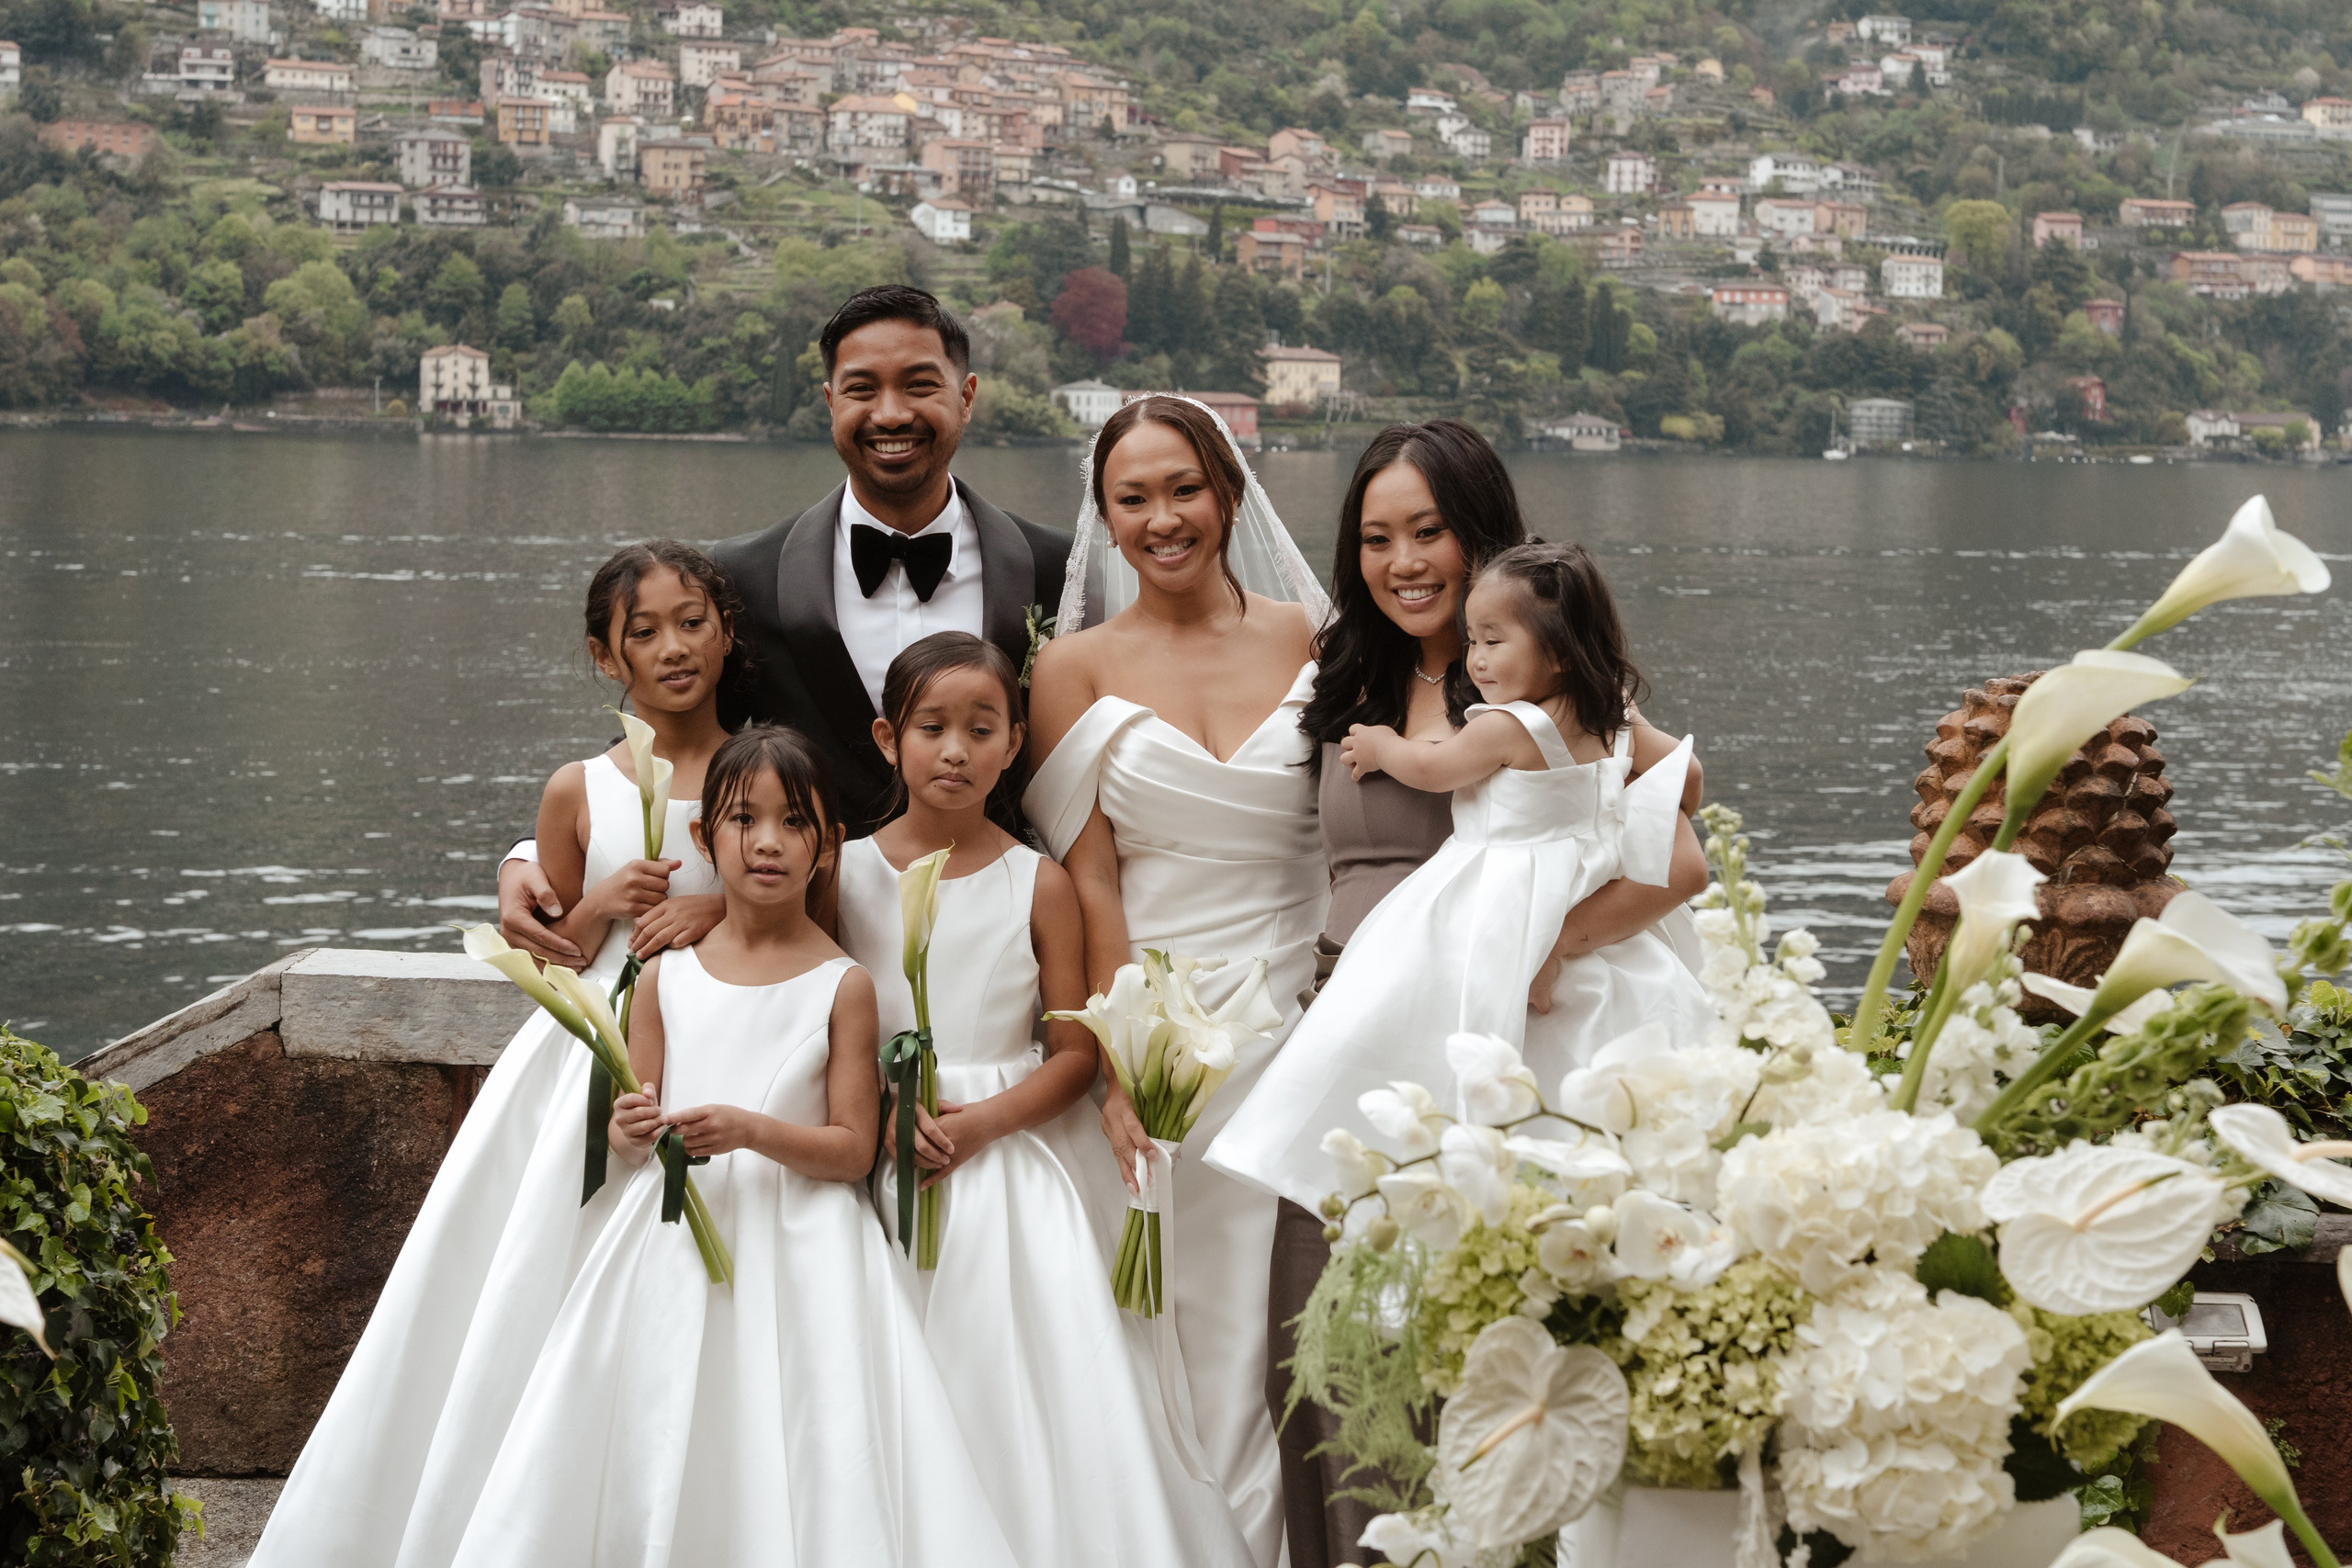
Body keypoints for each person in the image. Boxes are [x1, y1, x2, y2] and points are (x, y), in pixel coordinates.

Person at [1209, 422, 1709, 1567]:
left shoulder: (1545, 684)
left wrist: (1557, 947)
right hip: (1351, 1042)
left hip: (1496, 1054)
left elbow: (1676, 845)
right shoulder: (1347, 672)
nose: (1403, 562)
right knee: (1332, 1357)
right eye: (1376, 538)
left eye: (1427, 531)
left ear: (1480, 533)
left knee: (1477, 1353)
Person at [251, 542, 733, 1568]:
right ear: (605, 659)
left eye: (690, 620)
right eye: (641, 632)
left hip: (728, 1046)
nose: (672, 647)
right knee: (536, 1278)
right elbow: (552, 936)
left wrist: (719, 904)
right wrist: (600, 904)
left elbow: (807, 894)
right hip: (588, 1060)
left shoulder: (759, 774)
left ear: (726, 627)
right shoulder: (577, 788)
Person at [441, 725, 1018, 1567]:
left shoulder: (842, 983)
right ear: (706, 838)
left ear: (827, 850)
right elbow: (633, 1113)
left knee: (789, 1436)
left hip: (804, 1249)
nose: (769, 842)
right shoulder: (666, 970)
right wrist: (629, 1128)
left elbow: (855, 1148)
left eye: (794, 824)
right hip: (669, 1239)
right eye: (745, 821)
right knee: (657, 1413)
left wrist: (751, 1130)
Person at [496, 284, 1080, 967]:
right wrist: (530, 854)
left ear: (967, 395)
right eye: (862, 388)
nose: (890, 412)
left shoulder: (1056, 570)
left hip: (999, 950)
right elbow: (671, 738)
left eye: (919, 385)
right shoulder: (746, 572)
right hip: (797, 956)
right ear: (831, 402)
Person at [834, 630, 1256, 1568]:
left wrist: (981, 1123)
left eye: (981, 729)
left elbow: (1071, 1052)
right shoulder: (844, 871)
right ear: (884, 738)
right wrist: (884, 1109)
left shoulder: (1041, 880)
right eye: (931, 728)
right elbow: (821, 1017)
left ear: (1015, 741)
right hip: (882, 1144)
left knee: (1008, 1364)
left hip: (1002, 1157)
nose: (955, 751)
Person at [1023, 396, 1330, 1568]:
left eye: (1184, 491)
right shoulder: (1073, 666)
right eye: (1133, 500)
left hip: (1308, 1029)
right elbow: (1093, 886)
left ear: (1231, 495)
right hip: (1161, 1051)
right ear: (1102, 522)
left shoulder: (1312, 636)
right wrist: (1114, 1064)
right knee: (1173, 1324)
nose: (1164, 520)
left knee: (1282, 1325)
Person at [1211, 540, 1713, 1221]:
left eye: (1492, 641)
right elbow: (1686, 776)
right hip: (1573, 887)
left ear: (1558, 651)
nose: (1475, 658)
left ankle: (1399, 1167)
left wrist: (1383, 747)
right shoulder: (1607, 718)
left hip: (1497, 888)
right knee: (1574, 1047)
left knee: (1411, 1005)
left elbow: (1436, 768)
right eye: (1472, 640)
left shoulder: (1509, 723)